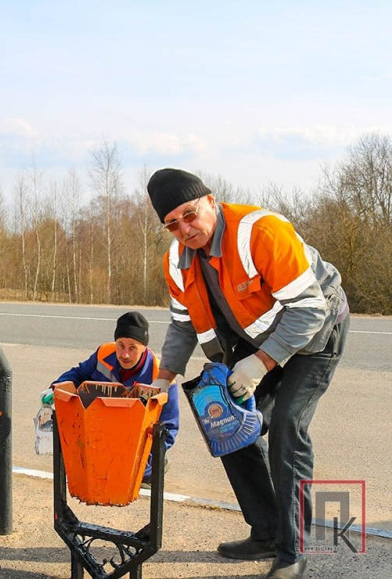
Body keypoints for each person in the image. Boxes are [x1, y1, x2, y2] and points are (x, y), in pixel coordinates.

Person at [145, 168, 349, 579]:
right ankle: (268, 531)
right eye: (172, 224)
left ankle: (294, 551)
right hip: (262, 342)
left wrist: (259, 363)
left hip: (316, 330)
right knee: (224, 424)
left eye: (189, 214)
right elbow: (184, 325)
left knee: (288, 427)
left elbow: (308, 310)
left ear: (211, 201)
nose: (184, 228)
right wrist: (162, 379)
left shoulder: (261, 231)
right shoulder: (176, 261)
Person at [45, 311, 180, 486]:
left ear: (144, 347)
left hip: (135, 444)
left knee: (127, 484)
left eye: (132, 348)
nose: (124, 354)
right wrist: (57, 386)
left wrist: (142, 460)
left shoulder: (161, 376)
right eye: (121, 345)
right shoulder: (104, 353)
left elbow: (169, 428)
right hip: (102, 430)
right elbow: (77, 374)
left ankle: (154, 469)